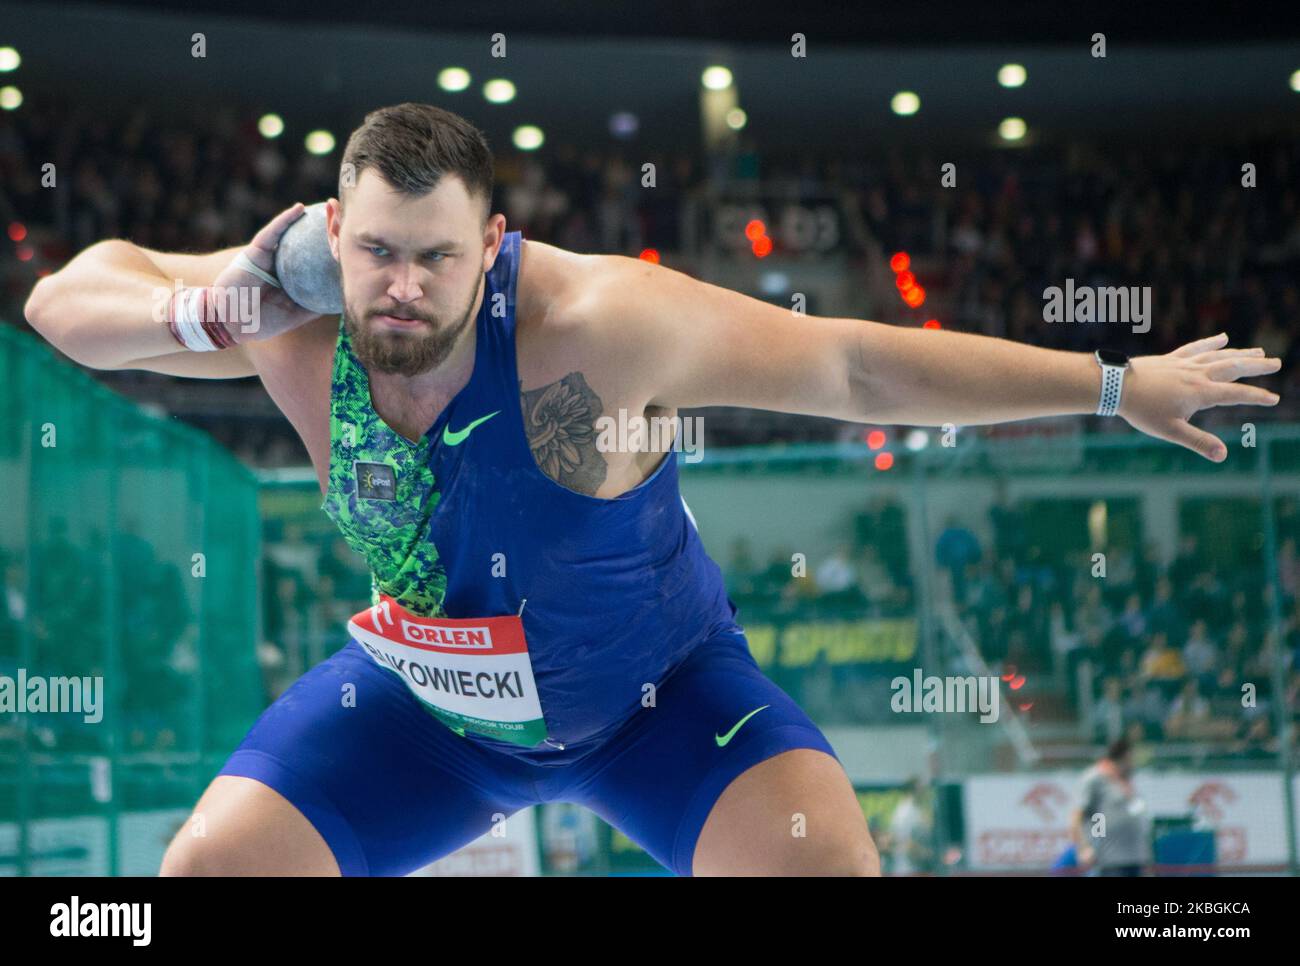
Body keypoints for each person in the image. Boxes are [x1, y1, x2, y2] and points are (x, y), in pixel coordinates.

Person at [25, 102, 1282, 876]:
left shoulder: (597, 331)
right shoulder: (292, 314)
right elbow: (61, 304)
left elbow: (851, 361)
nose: (400, 286)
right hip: (426, 712)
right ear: (327, 236)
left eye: (437, 259)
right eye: (373, 254)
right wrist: (204, 309)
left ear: (495, 245)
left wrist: (1112, 385)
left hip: (662, 702)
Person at [1070, 737, 1150, 876]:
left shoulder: (1127, 781)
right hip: (1110, 861)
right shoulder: (1096, 778)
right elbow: (1080, 815)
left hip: (1135, 858)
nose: (1134, 764)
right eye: (1132, 759)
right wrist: (1085, 847)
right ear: (1125, 757)